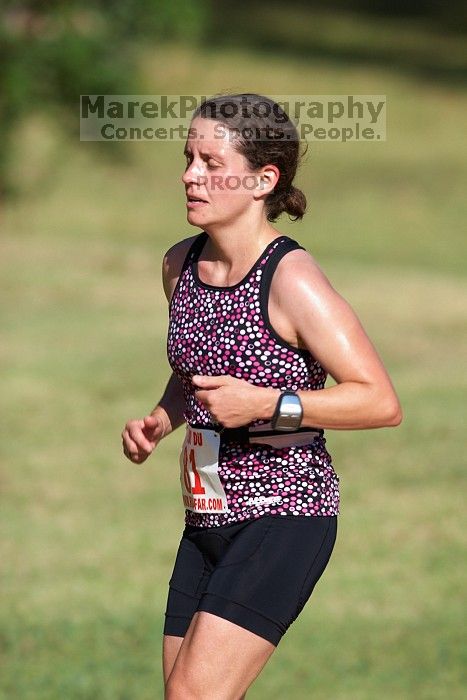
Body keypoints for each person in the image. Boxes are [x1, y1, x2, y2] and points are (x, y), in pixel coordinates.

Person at [121, 93, 403, 699]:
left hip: (286, 515)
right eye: (188, 157)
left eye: (210, 161)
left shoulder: (291, 278)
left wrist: (269, 404)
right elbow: (196, 370)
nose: (190, 175)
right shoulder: (181, 264)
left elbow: (380, 400)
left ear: (262, 179)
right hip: (206, 512)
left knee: (193, 695)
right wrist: (161, 420)